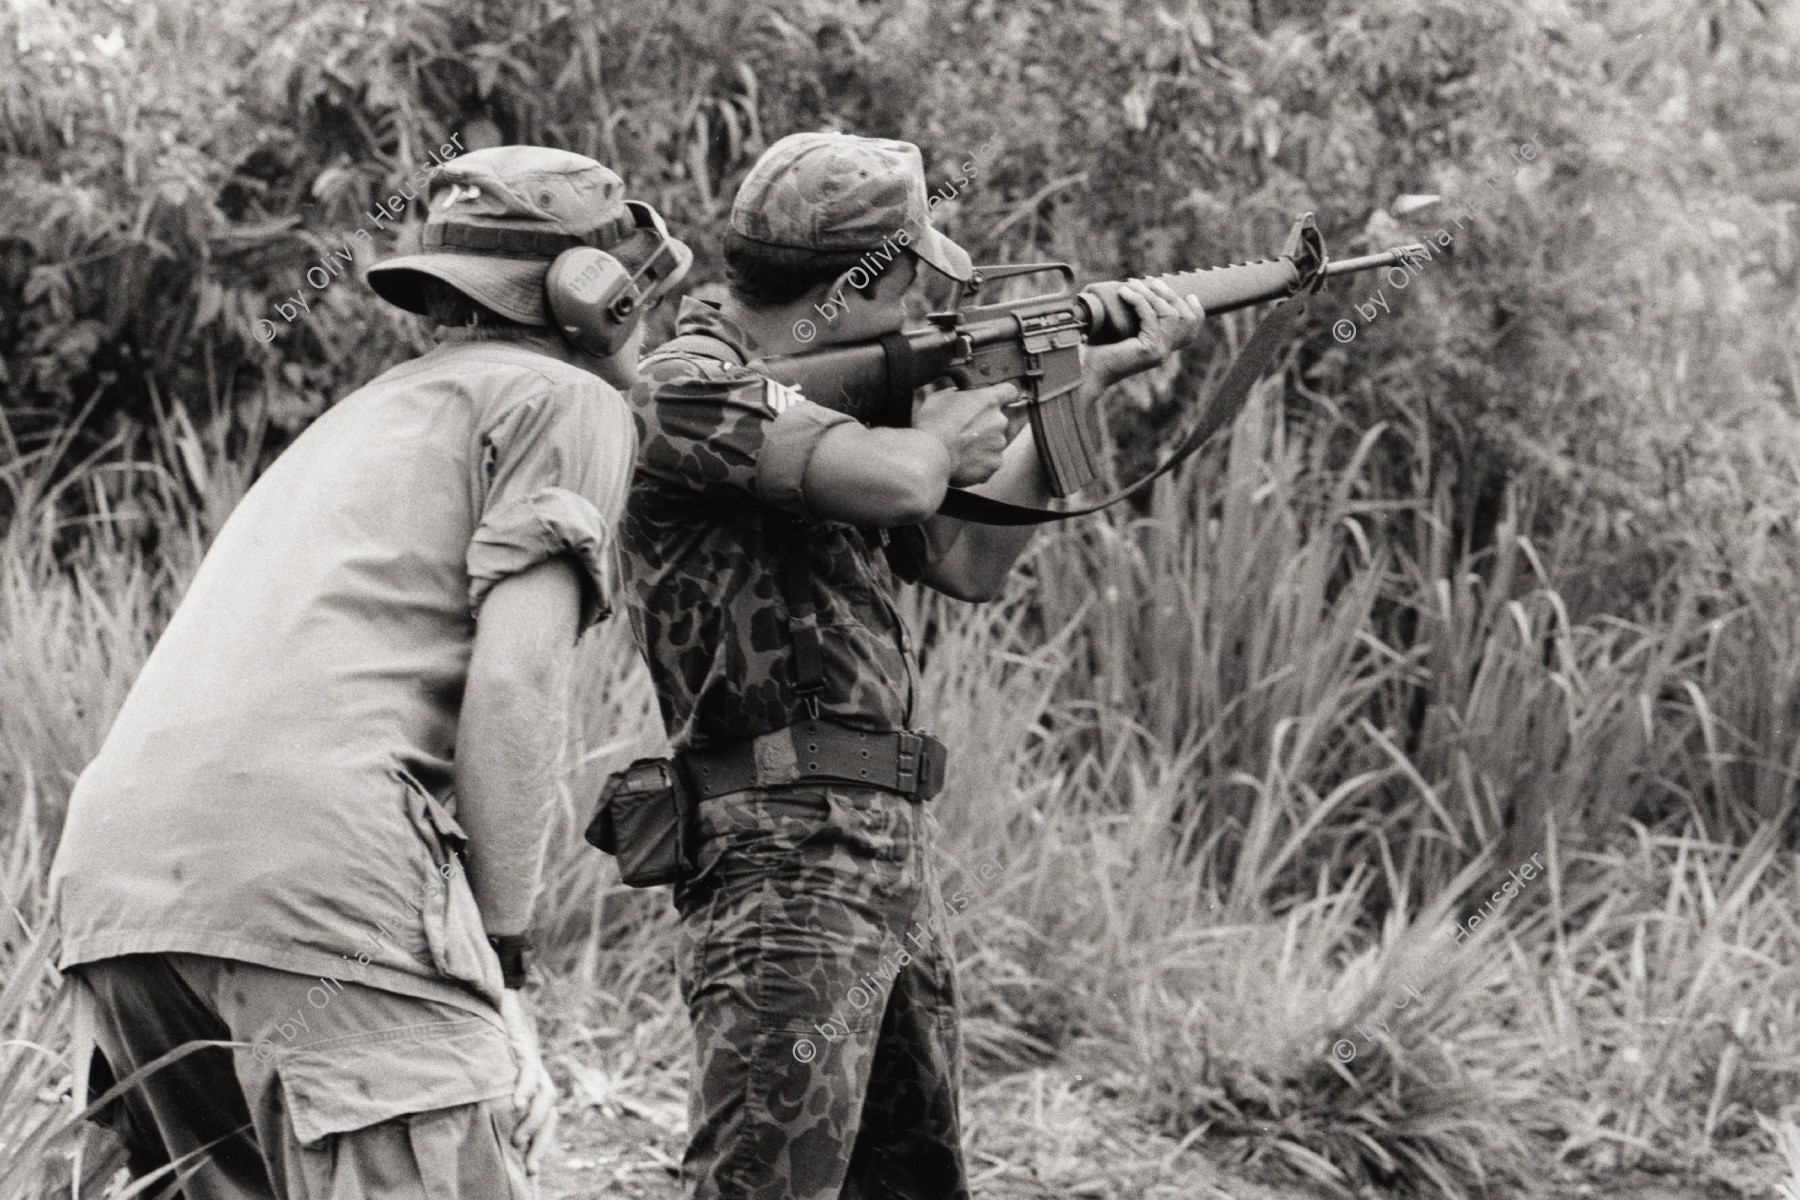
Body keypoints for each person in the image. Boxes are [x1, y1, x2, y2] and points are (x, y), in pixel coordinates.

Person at [48, 144, 690, 1199]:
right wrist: (501, 970)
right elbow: (516, 684)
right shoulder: (565, 403)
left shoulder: (364, 414)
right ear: (597, 297)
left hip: (120, 890)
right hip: (320, 886)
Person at [619, 130, 1203, 1200]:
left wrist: (1085, 384)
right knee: (762, 1183)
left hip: (879, 850)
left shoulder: (858, 418)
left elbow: (969, 560)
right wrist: (940, 436)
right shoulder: (686, 386)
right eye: (911, 281)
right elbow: (902, 489)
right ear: (872, 276)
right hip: (779, 856)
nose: (921, 309)